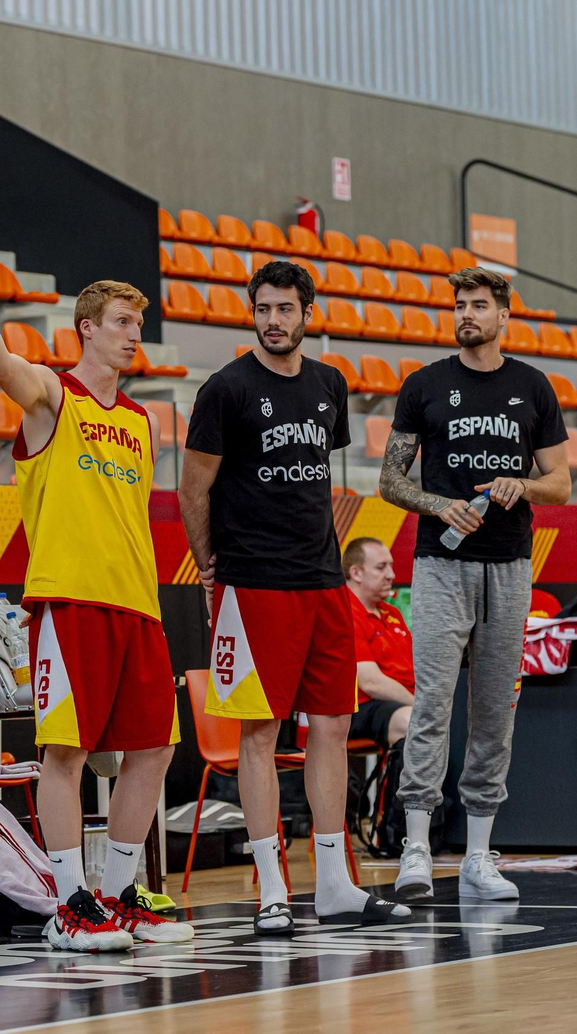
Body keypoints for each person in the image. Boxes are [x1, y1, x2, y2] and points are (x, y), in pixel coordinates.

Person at [0, 267, 189, 949]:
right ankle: (69, 905)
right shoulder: (55, 395)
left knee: (153, 748)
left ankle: (115, 897)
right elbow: (4, 369)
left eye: (137, 326)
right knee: (67, 750)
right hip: (69, 597)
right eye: (120, 323)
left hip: (137, 603)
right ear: (86, 326)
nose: (132, 336)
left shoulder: (142, 421)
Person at [180, 259, 410, 933]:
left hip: (323, 581)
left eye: (285, 309)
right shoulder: (225, 390)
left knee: (333, 726)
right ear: (251, 313)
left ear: (308, 314)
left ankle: (335, 883)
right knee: (260, 734)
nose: (273, 320)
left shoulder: (328, 386)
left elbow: (316, 481)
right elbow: (193, 490)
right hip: (252, 582)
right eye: (263, 309)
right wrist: (206, 569)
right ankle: (273, 888)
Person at [378, 266, 571, 902]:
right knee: (432, 705)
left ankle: (480, 857)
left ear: (503, 314)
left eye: (479, 305)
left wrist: (523, 485)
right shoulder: (424, 385)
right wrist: (437, 505)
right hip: (439, 563)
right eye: (460, 305)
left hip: (510, 565)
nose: (467, 314)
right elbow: (391, 480)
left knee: (493, 711)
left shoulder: (532, 386)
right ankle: (414, 849)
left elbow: (561, 484)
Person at [342, 537, 414, 751]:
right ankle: (407, 787)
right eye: (381, 568)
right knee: (414, 724)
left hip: (402, 701)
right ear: (356, 573)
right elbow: (371, 683)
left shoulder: (392, 613)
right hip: (360, 707)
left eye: (391, 566)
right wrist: (423, 708)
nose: (391, 575)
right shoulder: (343, 612)